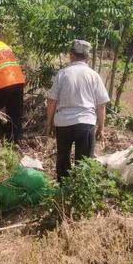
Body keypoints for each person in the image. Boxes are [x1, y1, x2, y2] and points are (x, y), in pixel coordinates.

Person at [46, 40, 110, 180]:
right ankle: (81, 191)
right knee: (85, 162)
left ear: (71, 55)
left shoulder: (62, 74)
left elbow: (52, 101)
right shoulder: (94, 75)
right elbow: (101, 105)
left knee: (63, 159)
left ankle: (63, 191)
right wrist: (101, 127)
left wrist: (49, 123)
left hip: (63, 124)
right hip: (85, 123)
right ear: (87, 56)